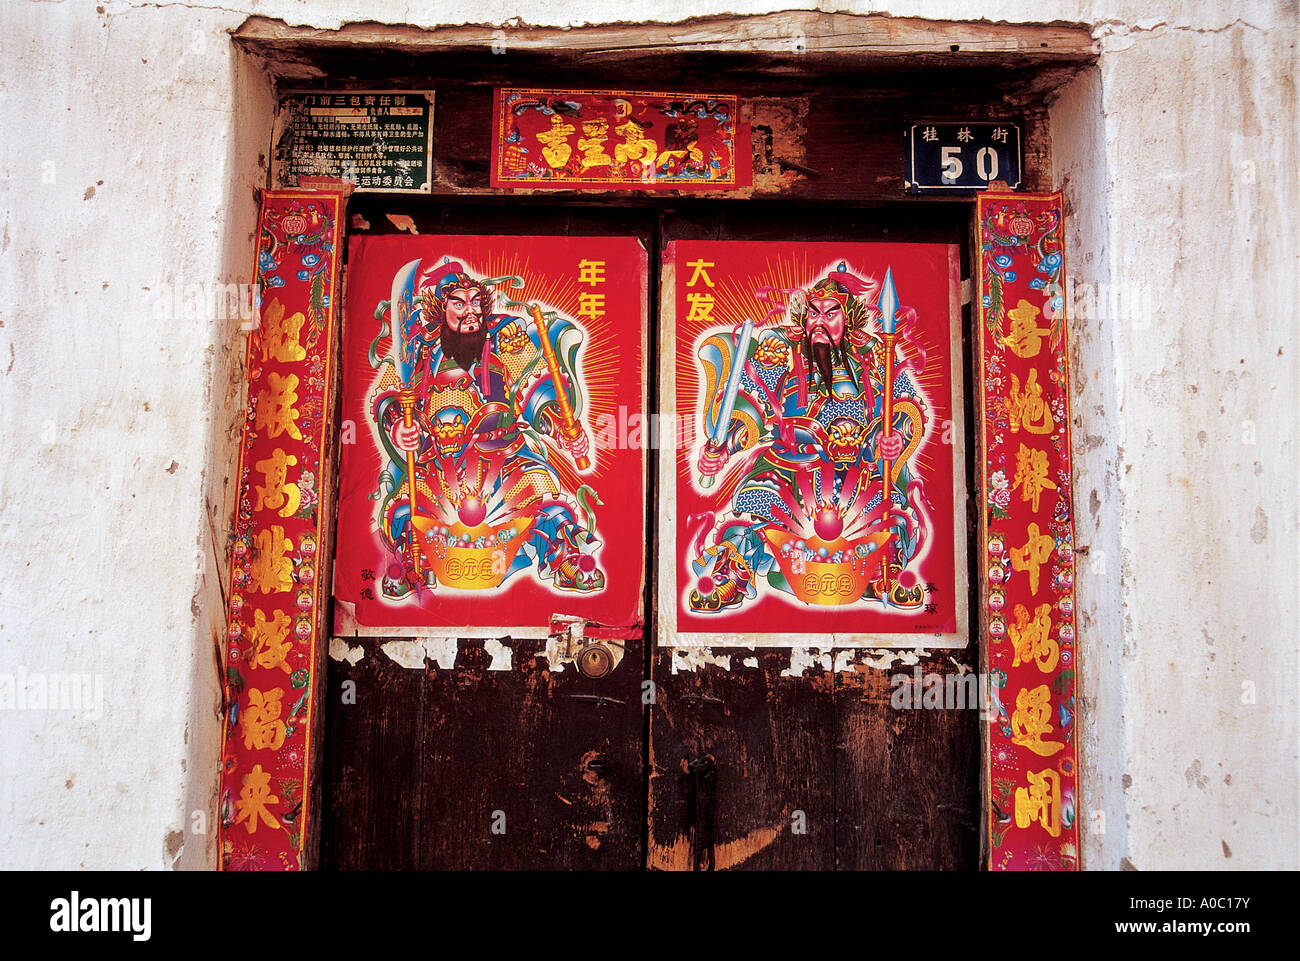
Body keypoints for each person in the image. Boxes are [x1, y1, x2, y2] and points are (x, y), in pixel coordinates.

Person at [688, 265, 928, 612]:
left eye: (831, 314)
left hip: (860, 468)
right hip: (792, 465)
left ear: (850, 318)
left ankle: (882, 572)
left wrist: (894, 441)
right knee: (753, 508)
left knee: (894, 515)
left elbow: (906, 405)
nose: (820, 321)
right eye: (814, 312)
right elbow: (752, 401)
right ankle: (732, 574)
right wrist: (725, 448)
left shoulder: (877, 353)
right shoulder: (780, 348)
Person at [371, 260, 602, 597]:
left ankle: (565, 557)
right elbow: (391, 394)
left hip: (501, 454)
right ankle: (410, 561)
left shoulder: (503, 338)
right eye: (459, 303)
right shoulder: (418, 349)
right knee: (408, 503)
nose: (471, 312)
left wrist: (561, 428)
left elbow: (532, 384)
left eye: (476, 302)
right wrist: (397, 428)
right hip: (439, 460)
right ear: (440, 308)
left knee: (540, 490)